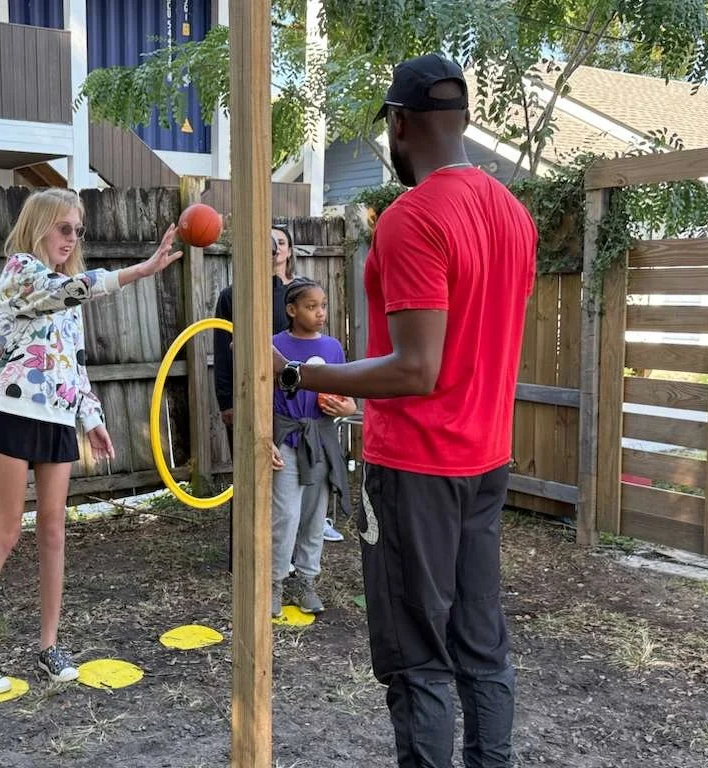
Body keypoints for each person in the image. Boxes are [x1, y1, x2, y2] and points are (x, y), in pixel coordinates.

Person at [272, 53, 537, 767]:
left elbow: (419, 369)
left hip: (418, 468)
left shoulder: (413, 218)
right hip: (486, 460)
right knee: (481, 643)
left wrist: (302, 369)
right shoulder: (515, 216)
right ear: (463, 118)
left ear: (399, 122)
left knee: (417, 660)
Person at [0, 188, 181, 695]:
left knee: (53, 530)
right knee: (5, 531)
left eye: (78, 231)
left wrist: (90, 417)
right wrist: (138, 270)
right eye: (64, 229)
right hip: (14, 410)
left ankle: (49, 645)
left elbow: (74, 363)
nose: (73, 239)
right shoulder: (22, 272)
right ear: (40, 227)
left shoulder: (68, 290)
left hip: (56, 418)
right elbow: (68, 291)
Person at [270, 278, 356, 617]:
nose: (320, 313)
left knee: (315, 515)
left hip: (320, 441)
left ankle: (304, 581)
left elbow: (347, 396)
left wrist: (348, 409)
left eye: (322, 306)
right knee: (286, 515)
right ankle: (275, 582)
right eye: (311, 306)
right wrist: (266, 441)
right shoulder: (274, 345)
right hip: (288, 440)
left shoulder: (333, 348)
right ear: (292, 310)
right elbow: (260, 394)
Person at [212, 226, 295, 572]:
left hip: (286, 404)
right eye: (265, 242)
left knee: (284, 485)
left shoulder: (297, 297)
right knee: (246, 477)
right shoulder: (233, 296)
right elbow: (222, 349)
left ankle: (279, 560)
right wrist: (227, 402)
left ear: (286, 251)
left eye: (277, 243)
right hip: (245, 399)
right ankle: (242, 559)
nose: (272, 249)